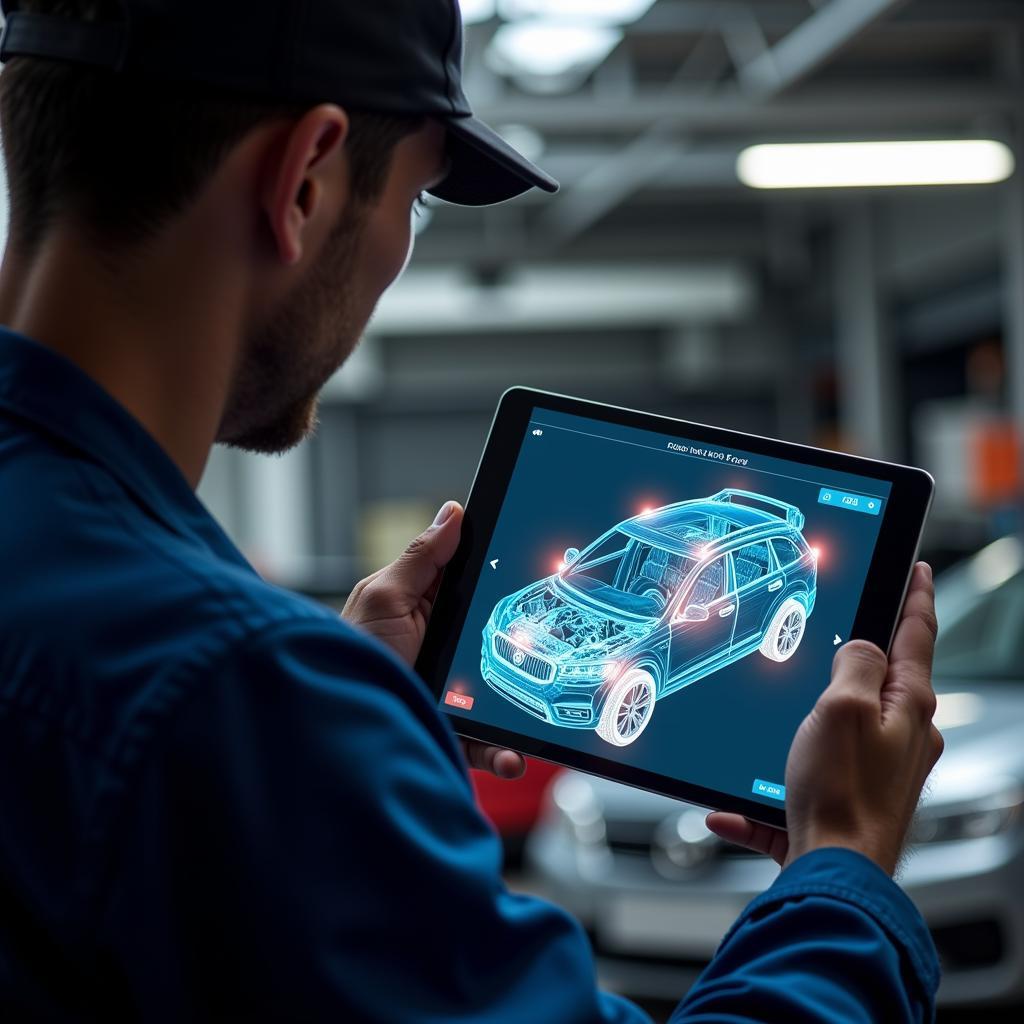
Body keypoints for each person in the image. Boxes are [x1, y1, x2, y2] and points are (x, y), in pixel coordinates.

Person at [0, 1, 944, 1021]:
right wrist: (843, 865)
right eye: (417, 199)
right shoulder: (225, 692)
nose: (401, 244)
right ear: (306, 181)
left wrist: (350, 740)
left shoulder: (203, 675)